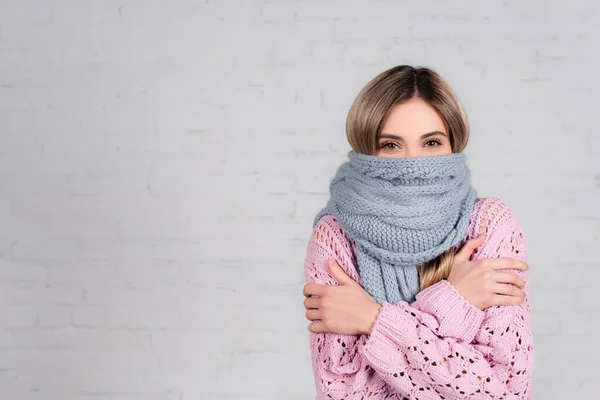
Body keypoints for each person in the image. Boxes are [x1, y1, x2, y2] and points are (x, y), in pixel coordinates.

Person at [302, 65, 534, 400]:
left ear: (453, 143)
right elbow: (345, 393)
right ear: (368, 149)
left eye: (431, 143)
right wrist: (454, 305)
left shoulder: (489, 225)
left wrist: (373, 319)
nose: (412, 163)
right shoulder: (335, 236)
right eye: (391, 145)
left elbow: (503, 392)